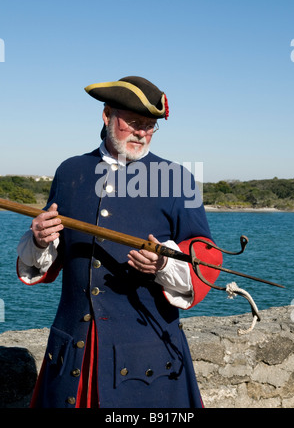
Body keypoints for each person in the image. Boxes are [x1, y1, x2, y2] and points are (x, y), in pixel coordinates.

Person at [16, 76, 222, 408]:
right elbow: (49, 251)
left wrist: (165, 264)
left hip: (147, 364)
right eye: (134, 122)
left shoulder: (175, 178)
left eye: (150, 125)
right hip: (71, 357)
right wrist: (40, 239)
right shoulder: (70, 171)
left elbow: (205, 258)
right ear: (107, 115)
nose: (142, 132)